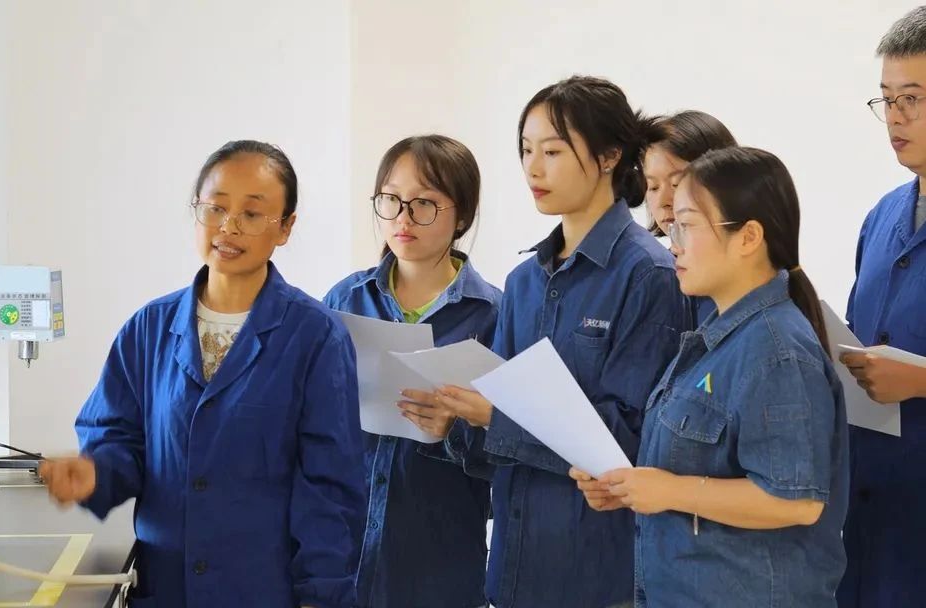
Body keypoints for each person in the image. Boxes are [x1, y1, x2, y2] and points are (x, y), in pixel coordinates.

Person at [39, 140, 367, 608]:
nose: (228, 227)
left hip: (264, 591)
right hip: (167, 586)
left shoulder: (316, 337)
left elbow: (330, 489)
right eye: (216, 208)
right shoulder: (148, 328)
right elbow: (119, 439)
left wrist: (322, 595)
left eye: (252, 214)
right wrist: (94, 473)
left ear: (285, 227)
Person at [433, 76, 691, 608]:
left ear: (609, 156)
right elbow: (498, 443)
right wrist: (454, 421)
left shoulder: (650, 275)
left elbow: (630, 439)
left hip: (600, 578)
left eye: (552, 151)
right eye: (526, 150)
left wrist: (496, 418)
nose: (533, 169)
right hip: (513, 572)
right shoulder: (523, 282)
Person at [574, 146, 849, 607]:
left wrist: (669, 491)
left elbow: (796, 501)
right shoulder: (721, 335)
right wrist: (631, 486)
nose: (673, 243)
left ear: (748, 237)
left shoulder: (777, 350)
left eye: (687, 225)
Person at [324, 134, 500, 608]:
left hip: (438, 565)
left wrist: (456, 428)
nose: (402, 218)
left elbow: (513, 453)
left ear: (461, 215)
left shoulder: (494, 316)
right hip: (342, 555)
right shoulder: (344, 301)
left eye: (424, 203)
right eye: (390, 200)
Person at [838, 8, 926, 606]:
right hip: (868, 522)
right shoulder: (882, 216)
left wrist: (921, 380)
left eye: (912, 99)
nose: (895, 117)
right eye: (886, 100)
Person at [642, 111, 737, 325]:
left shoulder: (743, 280)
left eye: (677, 184)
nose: (663, 201)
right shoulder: (654, 273)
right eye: (652, 187)